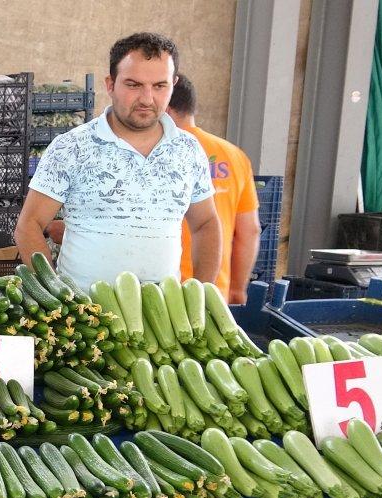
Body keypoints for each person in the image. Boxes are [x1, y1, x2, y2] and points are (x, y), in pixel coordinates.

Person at [14, 32, 222, 291]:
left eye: (160, 86)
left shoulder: (188, 150)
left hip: (161, 315)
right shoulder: (72, 147)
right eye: (133, 85)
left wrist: (200, 295)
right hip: (85, 318)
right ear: (110, 84)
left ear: (174, 84)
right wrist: (55, 297)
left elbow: (205, 224)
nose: (147, 98)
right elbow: (29, 226)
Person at [167, 73, 261, 305]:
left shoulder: (162, 151)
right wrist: (238, 290)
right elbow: (249, 231)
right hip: (214, 294)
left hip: (164, 293)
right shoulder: (235, 155)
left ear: (165, 108)